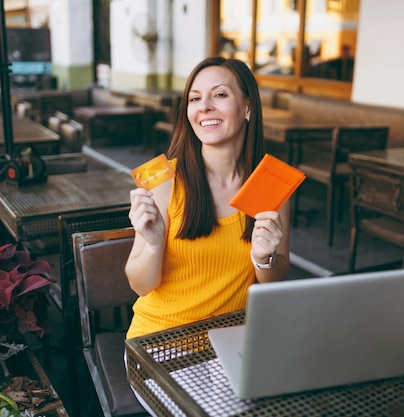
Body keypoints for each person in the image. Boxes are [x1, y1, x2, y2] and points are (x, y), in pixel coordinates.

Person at [125, 56, 291, 339]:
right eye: (195, 98)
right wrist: (153, 246)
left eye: (220, 95)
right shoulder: (165, 181)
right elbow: (139, 285)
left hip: (234, 342)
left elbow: (275, 279)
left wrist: (264, 258)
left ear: (247, 107)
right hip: (163, 341)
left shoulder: (269, 184)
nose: (204, 107)